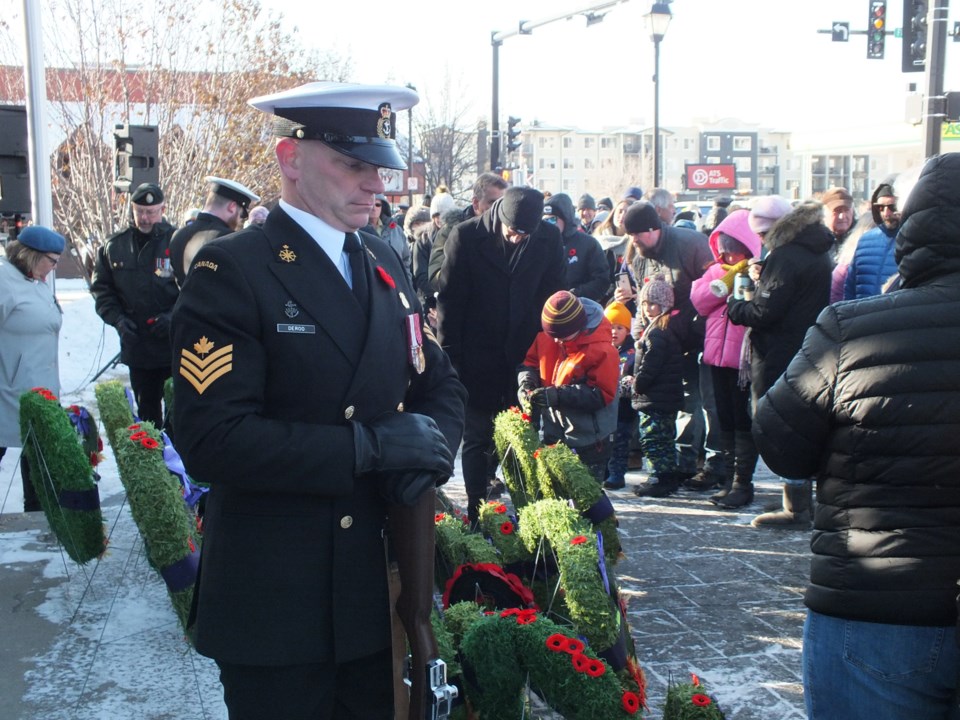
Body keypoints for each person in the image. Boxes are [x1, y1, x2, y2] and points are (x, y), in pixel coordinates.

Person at [170, 81, 466, 719]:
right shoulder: (233, 272)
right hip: (276, 599)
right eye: (353, 165)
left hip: (371, 585)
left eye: (379, 167)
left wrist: (428, 448)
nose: (376, 184)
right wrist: (370, 448)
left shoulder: (383, 261)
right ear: (290, 158)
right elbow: (211, 439)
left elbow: (437, 379)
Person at [752, 153, 960, 720]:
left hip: (875, 607)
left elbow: (780, 443)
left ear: (910, 229)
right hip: (876, 608)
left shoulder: (852, 328)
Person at [436, 185, 564, 524]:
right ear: (499, 216)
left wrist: (548, 352)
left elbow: (552, 297)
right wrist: (451, 359)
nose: (519, 238)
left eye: (526, 234)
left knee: (522, 436)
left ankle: (526, 515)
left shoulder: (549, 239)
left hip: (525, 355)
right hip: (477, 355)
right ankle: (479, 510)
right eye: (513, 232)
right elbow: (450, 300)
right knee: (477, 437)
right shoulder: (466, 237)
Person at [727, 199, 832, 526]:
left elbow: (765, 312)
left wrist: (735, 306)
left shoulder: (786, 256)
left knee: (779, 425)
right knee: (804, 424)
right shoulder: (815, 248)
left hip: (778, 354)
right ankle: (807, 502)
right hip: (809, 349)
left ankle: (796, 507)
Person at [613, 201, 720, 495]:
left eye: (638, 234)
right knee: (684, 402)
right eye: (630, 235)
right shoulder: (638, 253)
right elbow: (642, 299)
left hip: (699, 336)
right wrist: (640, 332)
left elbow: (713, 289)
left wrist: (695, 329)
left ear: (654, 229)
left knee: (707, 401)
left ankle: (714, 464)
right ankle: (683, 464)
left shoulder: (690, 245)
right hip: (664, 341)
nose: (633, 241)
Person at [689, 210, 762, 507]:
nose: (726, 256)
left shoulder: (758, 272)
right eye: (723, 250)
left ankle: (743, 484)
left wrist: (743, 280)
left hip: (741, 361)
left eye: (731, 251)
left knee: (742, 420)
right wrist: (727, 281)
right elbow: (699, 300)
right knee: (724, 420)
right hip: (715, 358)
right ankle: (729, 479)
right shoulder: (716, 272)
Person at [90, 182, 178, 428]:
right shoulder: (115, 245)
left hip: (172, 344)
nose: (145, 218)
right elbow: (102, 289)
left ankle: (176, 464)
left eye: (151, 212)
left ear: (162, 210)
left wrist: (174, 316)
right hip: (137, 343)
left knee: (176, 413)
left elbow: (195, 289)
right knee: (147, 414)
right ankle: (152, 462)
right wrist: (117, 319)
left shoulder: (178, 241)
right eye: (139, 211)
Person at [518, 291, 619, 485]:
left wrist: (557, 396)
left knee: (587, 498)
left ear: (578, 327)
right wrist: (527, 383)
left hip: (589, 440)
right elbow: (530, 363)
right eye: (552, 335)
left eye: (563, 337)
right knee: (556, 492)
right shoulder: (550, 336)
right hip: (555, 432)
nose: (557, 341)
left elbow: (601, 394)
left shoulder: (602, 350)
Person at [0, 226, 65, 512]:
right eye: (51, 261)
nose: (53, 268)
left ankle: (38, 515)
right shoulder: (4, 280)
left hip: (39, 388)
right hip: (9, 387)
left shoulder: (34, 282)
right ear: (31, 255)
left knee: (36, 456)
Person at [629, 275, 684, 497]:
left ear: (664, 306)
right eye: (645, 303)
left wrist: (637, 384)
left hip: (655, 398)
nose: (648, 308)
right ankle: (667, 476)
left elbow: (650, 367)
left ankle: (658, 477)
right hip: (664, 397)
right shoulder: (660, 330)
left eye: (653, 304)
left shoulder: (657, 334)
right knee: (664, 439)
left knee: (653, 439)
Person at [169, 176, 260, 286]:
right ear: (232, 207)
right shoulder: (231, 241)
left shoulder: (178, 235)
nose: (241, 219)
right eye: (242, 214)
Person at [426, 173, 508, 294]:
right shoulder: (453, 231)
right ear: (475, 203)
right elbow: (436, 277)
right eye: (493, 203)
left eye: (503, 203)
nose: (499, 208)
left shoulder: (509, 230)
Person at [542, 193, 609, 302]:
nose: (548, 225)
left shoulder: (588, 244)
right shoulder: (539, 244)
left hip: (579, 308)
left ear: (565, 218)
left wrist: (575, 293)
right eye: (545, 220)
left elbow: (602, 280)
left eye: (552, 219)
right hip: (546, 309)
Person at [843, 181, 900, 300]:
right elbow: (850, 287)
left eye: (892, 207)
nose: (886, 213)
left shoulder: (912, 241)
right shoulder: (865, 240)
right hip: (861, 315)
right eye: (881, 207)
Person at [601, 301, 637, 490]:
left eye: (619, 328)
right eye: (611, 327)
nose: (614, 332)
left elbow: (632, 378)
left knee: (620, 443)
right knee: (605, 443)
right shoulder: (601, 349)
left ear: (627, 330)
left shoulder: (631, 353)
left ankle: (617, 474)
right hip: (605, 408)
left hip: (623, 410)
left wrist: (626, 382)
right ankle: (606, 471)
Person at [362, 193, 411, 273]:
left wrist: (407, 283)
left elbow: (406, 260)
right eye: (371, 204)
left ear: (383, 207)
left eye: (378, 205)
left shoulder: (396, 230)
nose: (374, 208)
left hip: (396, 281)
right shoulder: (356, 230)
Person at [820, 186, 855, 261]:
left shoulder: (861, 238)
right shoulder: (814, 240)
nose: (842, 216)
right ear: (824, 213)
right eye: (837, 211)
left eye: (846, 210)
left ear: (852, 211)